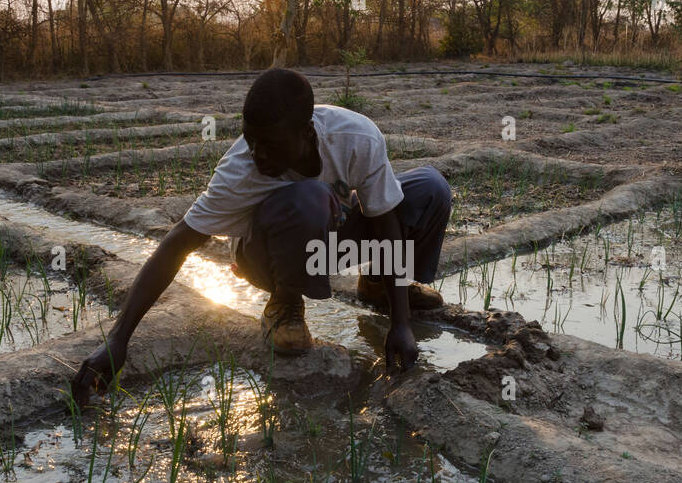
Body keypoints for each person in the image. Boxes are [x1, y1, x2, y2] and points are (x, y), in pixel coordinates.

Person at [71, 68, 452, 403]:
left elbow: (384, 219)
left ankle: (379, 285)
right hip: (263, 254)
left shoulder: (356, 138)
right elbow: (177, 244)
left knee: (429, 187)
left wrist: (401, 323)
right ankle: (284, 304)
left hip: (329, 234)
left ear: (307, 132)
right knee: (309, 198)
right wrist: (119, 338)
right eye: (251, 140)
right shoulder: (241, 171)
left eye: (269, 145)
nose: (258, 154)